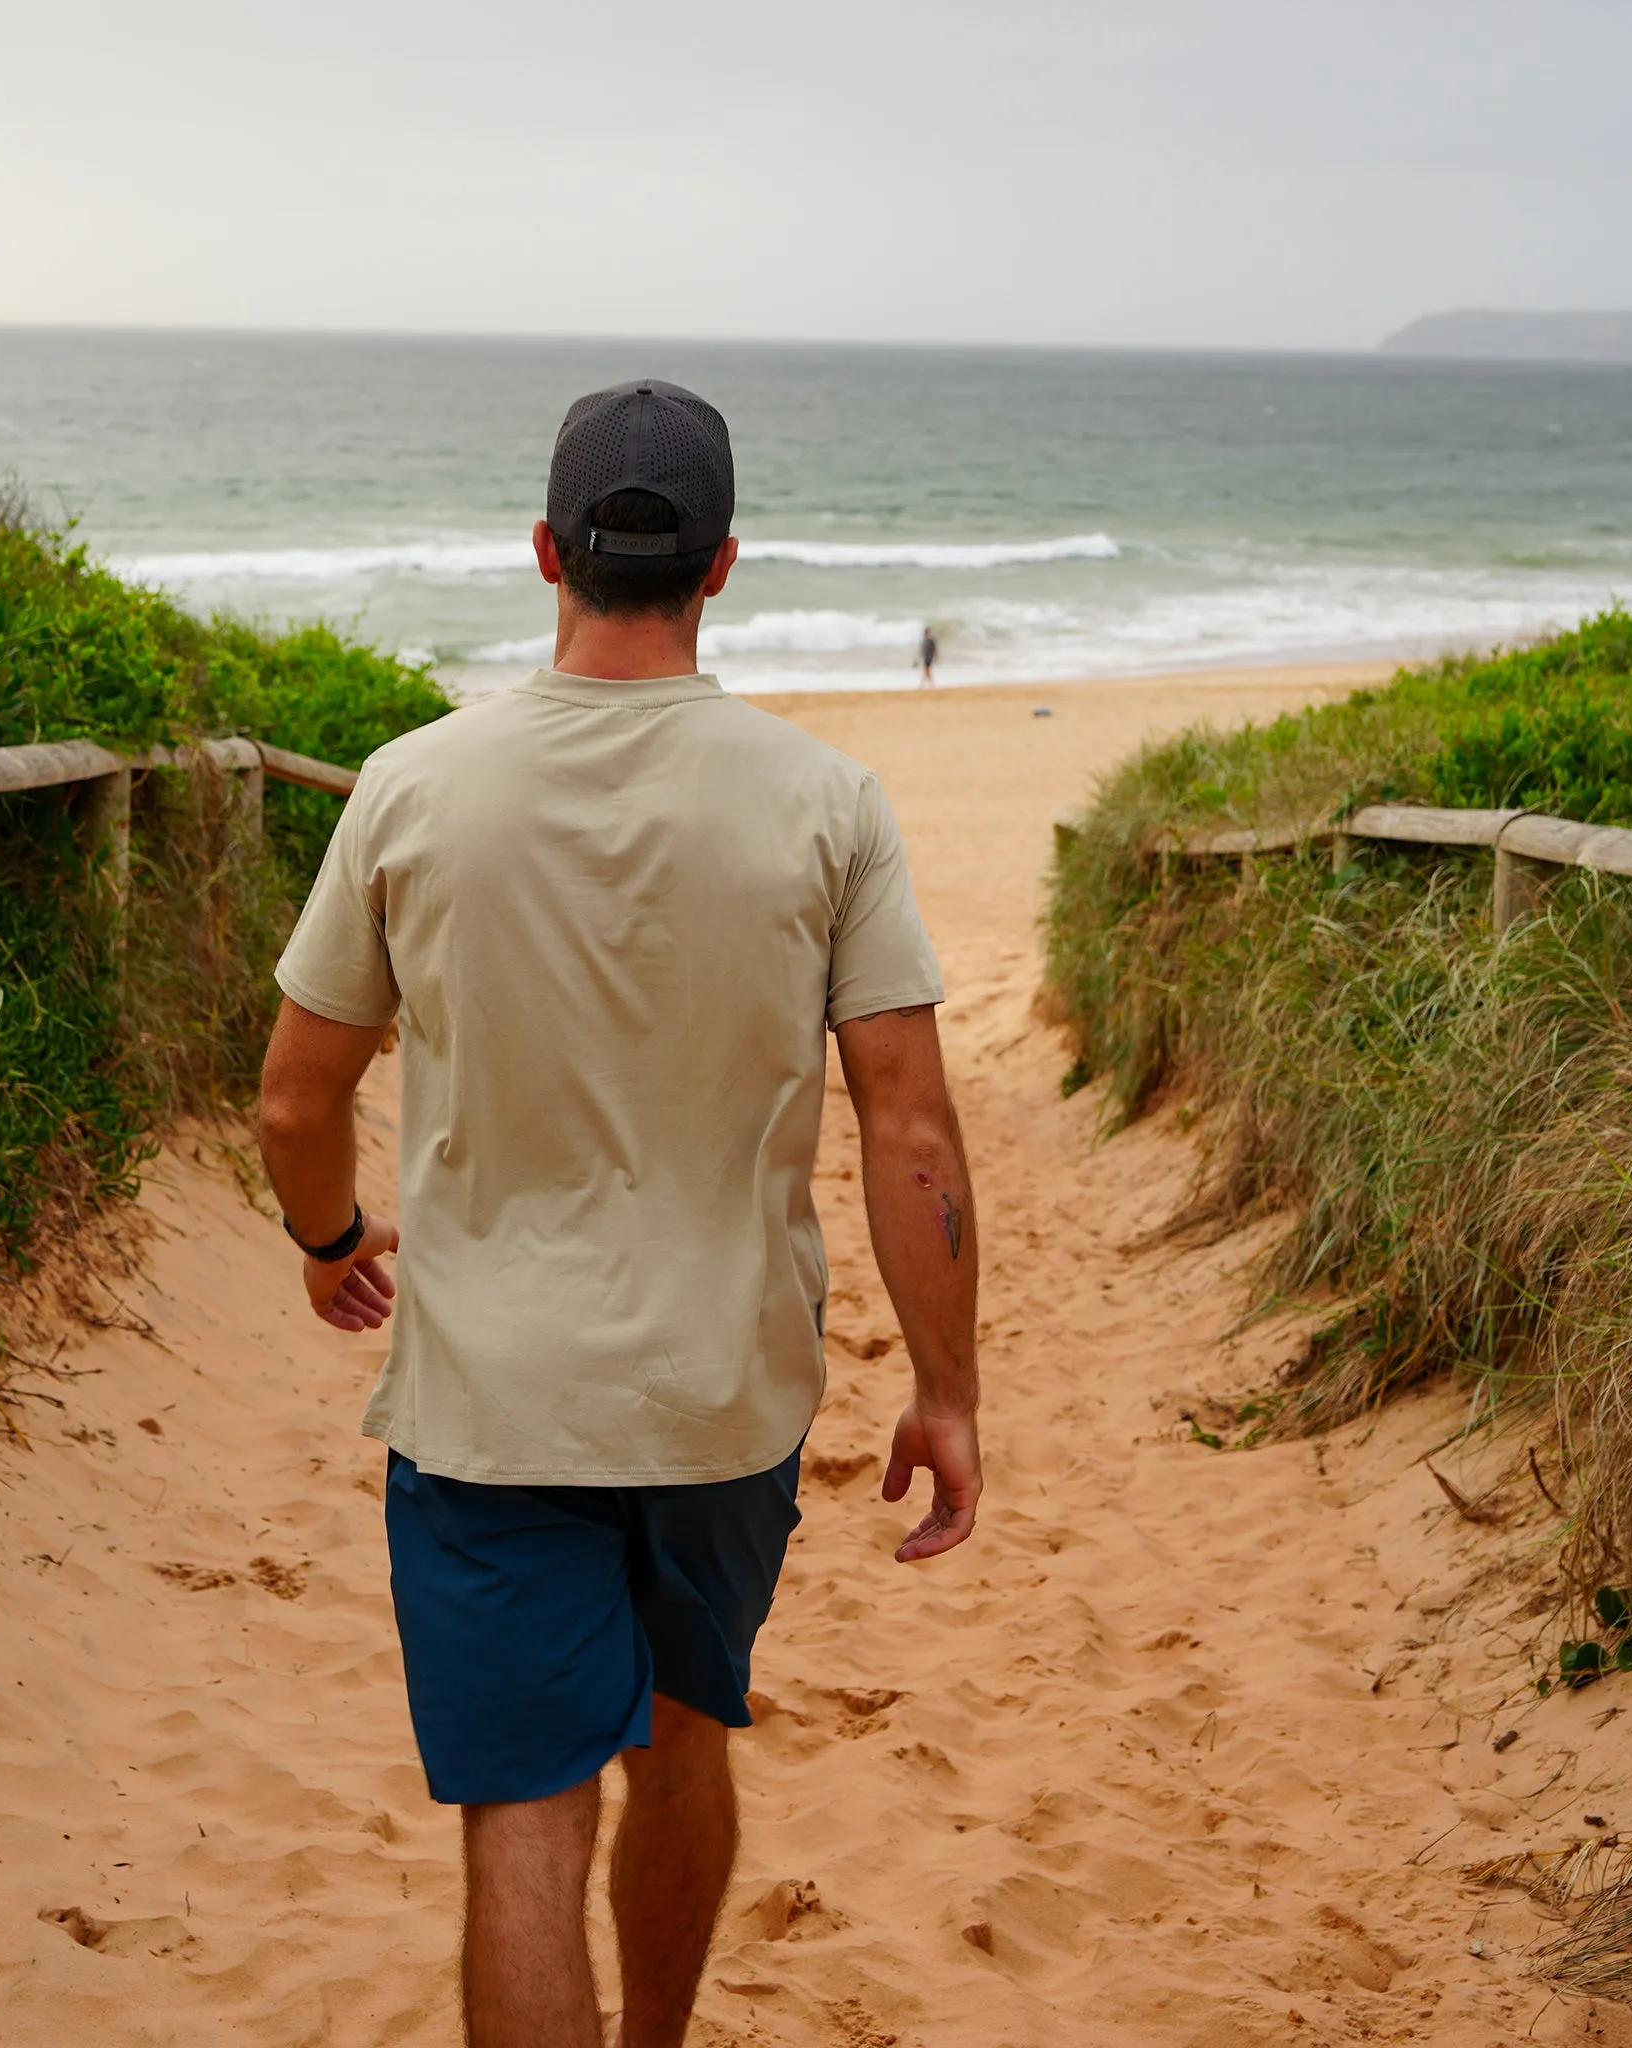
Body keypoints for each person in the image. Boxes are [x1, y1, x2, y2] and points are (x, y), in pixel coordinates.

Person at [256, 379, 981, 2048]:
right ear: (721, 565)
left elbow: (298, 1098)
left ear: (543, 553)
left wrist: (327, 1242)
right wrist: (946, 1395)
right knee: (684, 1739)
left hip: (490, 1406)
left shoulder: (414, 787)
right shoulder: (828, 803)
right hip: (723, 1397)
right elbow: (914, 1130)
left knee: (525, 1821)